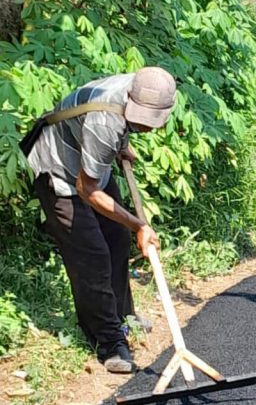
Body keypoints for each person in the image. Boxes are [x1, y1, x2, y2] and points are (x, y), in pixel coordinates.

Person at [24, 68, 176, 373]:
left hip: (90, 166)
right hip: (60, 175)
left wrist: (121, 147)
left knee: (117, 240)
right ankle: (108, 342)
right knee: (92, 256)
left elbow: (113, 132)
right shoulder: (105, 119)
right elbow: (86, 189)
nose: (146, 126)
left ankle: (123, 317)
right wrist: (139, 225)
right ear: (131, 99)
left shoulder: (149, 87)